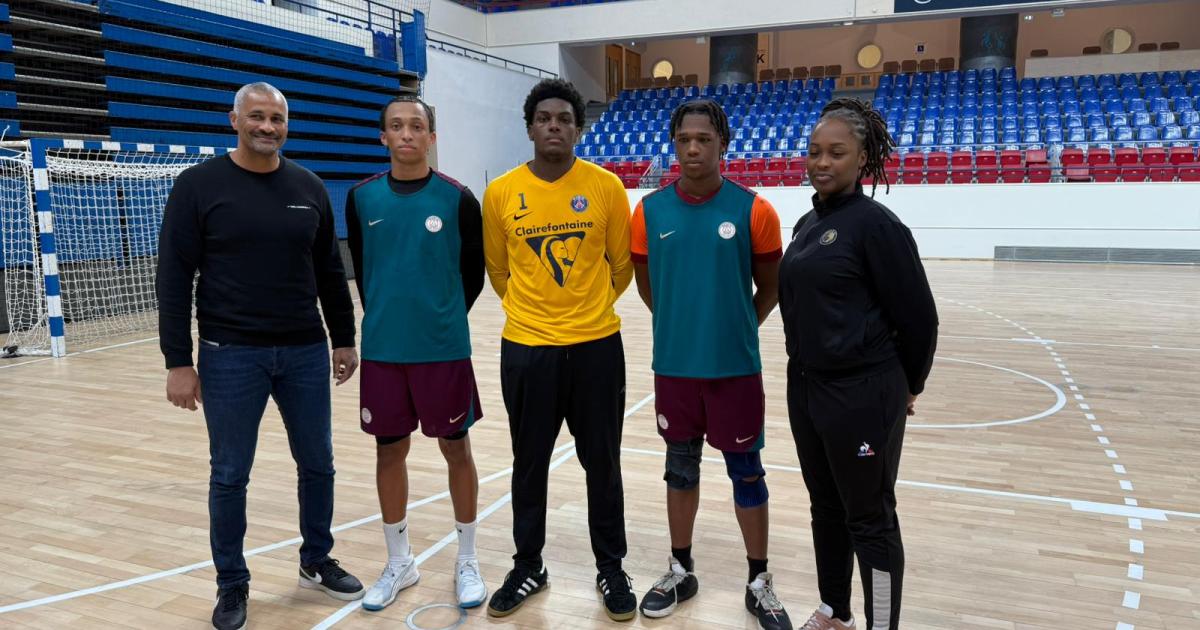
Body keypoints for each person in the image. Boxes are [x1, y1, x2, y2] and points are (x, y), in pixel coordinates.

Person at [157, 82, 364, 630]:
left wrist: (343, 338)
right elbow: (173, 277)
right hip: (230, 355)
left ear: (286, 124)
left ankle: (316, 559)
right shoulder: (198, 186)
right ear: (234, 120)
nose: (267, 127)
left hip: (303, 351)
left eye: (276, 118)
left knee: (318, 463)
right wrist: (178, 360)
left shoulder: (309, 186)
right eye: (256, 117)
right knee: (229, 474)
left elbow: (329, 273)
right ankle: (232, 584)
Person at [630, 99, 792, 630]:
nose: (693, 148)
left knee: (747, 473)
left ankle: (759, 579)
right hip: (675, 368)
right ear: (674, 144)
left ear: (723, 144)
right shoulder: (648, 212)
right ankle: (681, 568)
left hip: (735, 370)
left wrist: (729, 327)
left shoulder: (754, 211)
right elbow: (648, 286)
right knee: (680, 469)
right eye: (684, 139)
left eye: (704, 139)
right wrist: (683, 322)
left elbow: (769, 289)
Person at [778, 97, 938, 630]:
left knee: (869, 518)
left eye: (836, 153)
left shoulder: (877, 226)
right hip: (806, 389)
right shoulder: (806, 222)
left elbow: (919, 319)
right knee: (825, 506)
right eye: (815, 152)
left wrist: (908, 385)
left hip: (862, 393)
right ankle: (833, 611)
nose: (822, 163)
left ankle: (881, 624)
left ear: (863, 160)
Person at [481, 78, 636, 621]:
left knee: (604, 464)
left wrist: (583, 311)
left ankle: (611, 568)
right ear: (530, 128)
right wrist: (536, 314)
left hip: (596, 347)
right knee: (529, 464)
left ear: (577, 127)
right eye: (544, 118)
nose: (554, 125)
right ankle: (529, 565)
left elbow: (621, 268)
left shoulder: (606, 187)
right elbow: (498, 271)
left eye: (564, 119)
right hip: (526, 349)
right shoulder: (500, 192)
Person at [345, 95, 487, 612]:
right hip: (384, 351)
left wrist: (441, 316)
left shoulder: (458, 198)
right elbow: (364, 268)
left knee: (457, 449)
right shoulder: (361, 198)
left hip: (442, 350)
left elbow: (474, 274)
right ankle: (399, 561)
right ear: (383, 136)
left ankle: (467, 558)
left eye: (416, 126)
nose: (406, 134)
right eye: (396, 126)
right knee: (388, 451)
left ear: (431, 137)